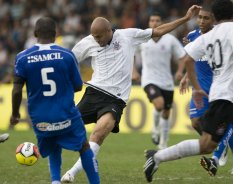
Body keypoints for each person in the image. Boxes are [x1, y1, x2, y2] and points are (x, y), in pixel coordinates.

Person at [143, 1, 233, 183]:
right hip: (224, 97)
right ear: (232, 14)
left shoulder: (205, 38)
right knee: (207, 145)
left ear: (214, 17)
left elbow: (186, 59)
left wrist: (196, 87)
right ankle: (158, 156)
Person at [61, 5, 202, 183]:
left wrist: (185, 18)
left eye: (99, 36)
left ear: (108, 31)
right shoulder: (87, 42)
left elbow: (158, 31)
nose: (96, 40)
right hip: (93, 93)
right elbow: (68, 60)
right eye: (94, 36)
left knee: (98, 134)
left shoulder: (127, 36)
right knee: (65, 127)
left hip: (115, 100)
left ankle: (71, 174)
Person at [10, 17, 100, 184]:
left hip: (40, 119)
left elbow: (16, 90)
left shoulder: (22, 57)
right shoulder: (67, 55)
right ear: (56, 33)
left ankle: (55, 181)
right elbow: (78, 86)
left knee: (53, 146)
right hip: (65, 114)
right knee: (84, 147)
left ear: (35, 33)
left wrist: (15, 114)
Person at [181, 5, 233, 175]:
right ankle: (220, 145)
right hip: (200, 88)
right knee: (195, 122)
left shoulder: (222, 34)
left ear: (214, 19)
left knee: (223, 124)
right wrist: (186, 78)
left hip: (218, 86)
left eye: (205, 18)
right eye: (199, 17)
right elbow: (191, 60)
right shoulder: (193, 36)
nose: (201, 21)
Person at [133, 12, 186, 150]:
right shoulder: (142, 38)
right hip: (149, 79)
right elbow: (130, 53)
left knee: (166, 112)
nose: (154, 23)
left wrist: (180, 71)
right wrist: (134, 71)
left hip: (167, 81)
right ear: (149, 23)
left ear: (161, 23)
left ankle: (163, 142)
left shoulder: (170, 39)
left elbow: (182, 56)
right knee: (159, 104)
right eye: (152, 20)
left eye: (157, 20)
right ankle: (155, 129)